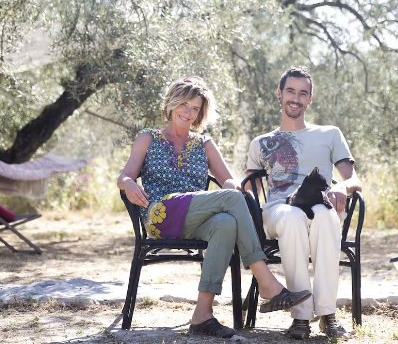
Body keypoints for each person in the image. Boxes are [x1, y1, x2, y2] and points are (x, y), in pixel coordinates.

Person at [117, 76, 312, 338]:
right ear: (172, 104)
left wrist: (237, 188)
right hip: (159, 215)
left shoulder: (204, 143)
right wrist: (129, 184)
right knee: (231, 201)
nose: (188, 112)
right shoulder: (148, 138)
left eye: (195, 108)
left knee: (226, 222)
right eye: (184, 105)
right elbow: (125, 176)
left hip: (195, 218)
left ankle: (202, 315)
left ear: (200, 113)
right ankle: (266, 281)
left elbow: (228, 181)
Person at [246, 67, 362, 340]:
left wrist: (342, 188)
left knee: (324, 216)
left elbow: (353, 179)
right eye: (290, 91)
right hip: (280, 210)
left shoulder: (330, 134)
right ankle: (300, 316)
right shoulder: (261, 143)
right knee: (291, 217)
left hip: (322, 203)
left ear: (310, 99)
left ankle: (327, 314)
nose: (295, 98)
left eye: (302, 93)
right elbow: (251, 188)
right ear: (279, 94)